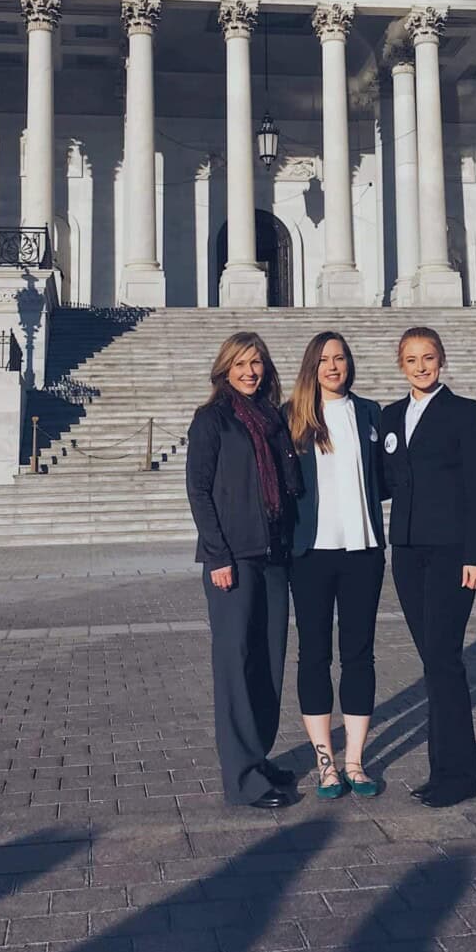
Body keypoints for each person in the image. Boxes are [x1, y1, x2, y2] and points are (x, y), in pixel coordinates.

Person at [186, 331, 303, 809]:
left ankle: (258, 755)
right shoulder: (212, 420)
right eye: (240, 364)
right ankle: (241, 777)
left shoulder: (273, 419)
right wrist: (217, 556)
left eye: (256, 363)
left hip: (274, 554)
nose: (249, 372)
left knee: (269, 660)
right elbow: (199, 491)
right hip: (232, 559)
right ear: (224, 369)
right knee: (235, 663)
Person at [380, 326, 476, 808]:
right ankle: (441, 769)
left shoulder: (464, 412)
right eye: (411, 359)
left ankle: (460, 774)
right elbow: (382, 481)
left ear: (441, 360)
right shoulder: (389, 416)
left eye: (428, 357)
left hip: (450, 552)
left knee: (444, 660)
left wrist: (475, 555)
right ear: (400, 365)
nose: (421, 366)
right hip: (406, 552)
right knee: (433, 661)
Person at [285, 332, 386, 799]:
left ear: (350, 363)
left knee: (359, 654)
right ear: (312, 366)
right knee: (314, 656)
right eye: (324, 359)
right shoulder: (293, 417)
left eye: (339, 358)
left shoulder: (370, 413)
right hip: (311, 553)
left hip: (363, 551)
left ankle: (355, 761)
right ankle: (326, 762)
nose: (333, 366)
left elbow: (386, 479)